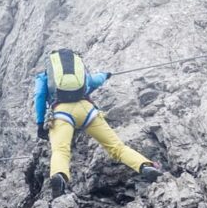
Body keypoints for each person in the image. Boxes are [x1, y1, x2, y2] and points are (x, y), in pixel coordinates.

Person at [34, 48, 162, 198]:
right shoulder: (78, 73)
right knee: (117, 147)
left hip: (62, 113)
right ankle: (144, 166)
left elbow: (40, 95)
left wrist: (40, 122)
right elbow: (94, 81)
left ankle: (60, 176)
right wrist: (105, 75)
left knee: (60, 150)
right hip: (87, 111)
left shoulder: (45, 76)